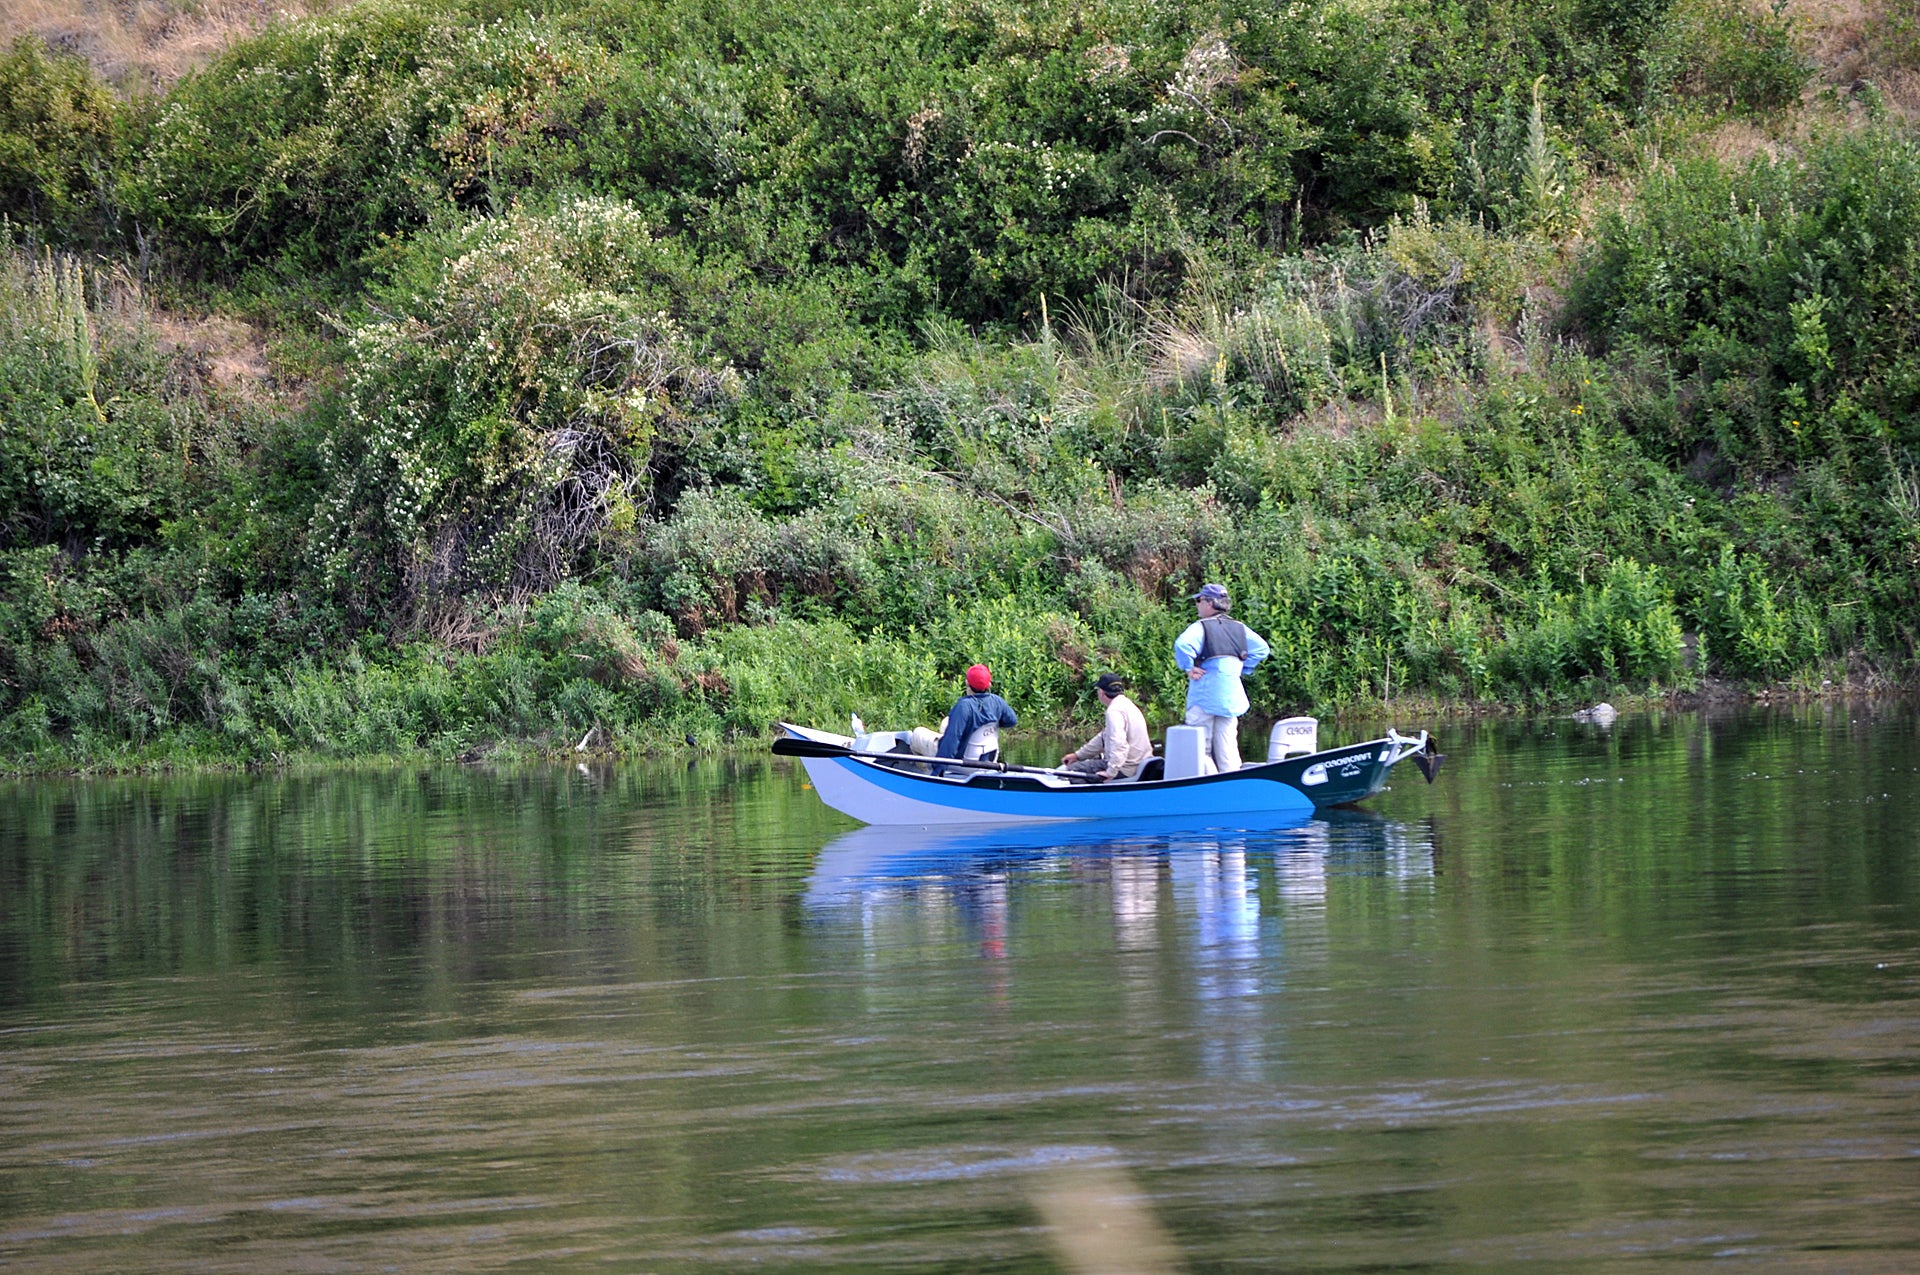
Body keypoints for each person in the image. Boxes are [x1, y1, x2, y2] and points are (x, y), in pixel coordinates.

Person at [1174, 583, 1270, 773]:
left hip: (1205, 696)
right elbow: (1262, 649)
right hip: (1231, 698)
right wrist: (1243, 668)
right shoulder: (1239, 628)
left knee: (1200, 747)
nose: (1197, 605)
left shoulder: (1201, 627)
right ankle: (1232, 782)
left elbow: (1182, 644)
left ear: (1210, 603)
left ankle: (1207, 784)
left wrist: (1188, 667)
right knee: (1227, 747)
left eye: (1199, 600)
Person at [1061, 672, 1153, 782]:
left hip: (1126, 768)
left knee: (1072, 771)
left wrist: (1111, 772)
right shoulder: (1128, 705)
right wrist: (1077, 756)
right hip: (1140, 764)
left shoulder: (1114, 711)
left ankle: (1087, 798)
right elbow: (1102, 739)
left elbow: (1119, 744)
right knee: (1085, 763)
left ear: (1101, 692)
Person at [936, 663, 1018, 767]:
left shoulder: (963, 706)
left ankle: (921, 773)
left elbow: (951, 739)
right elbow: (1012, 720)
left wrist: (938, 769)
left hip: (964, 764)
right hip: (990, 764)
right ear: (989, 685)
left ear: (967, 683)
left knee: (916, 734)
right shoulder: (997, 701)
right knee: (945, 725)